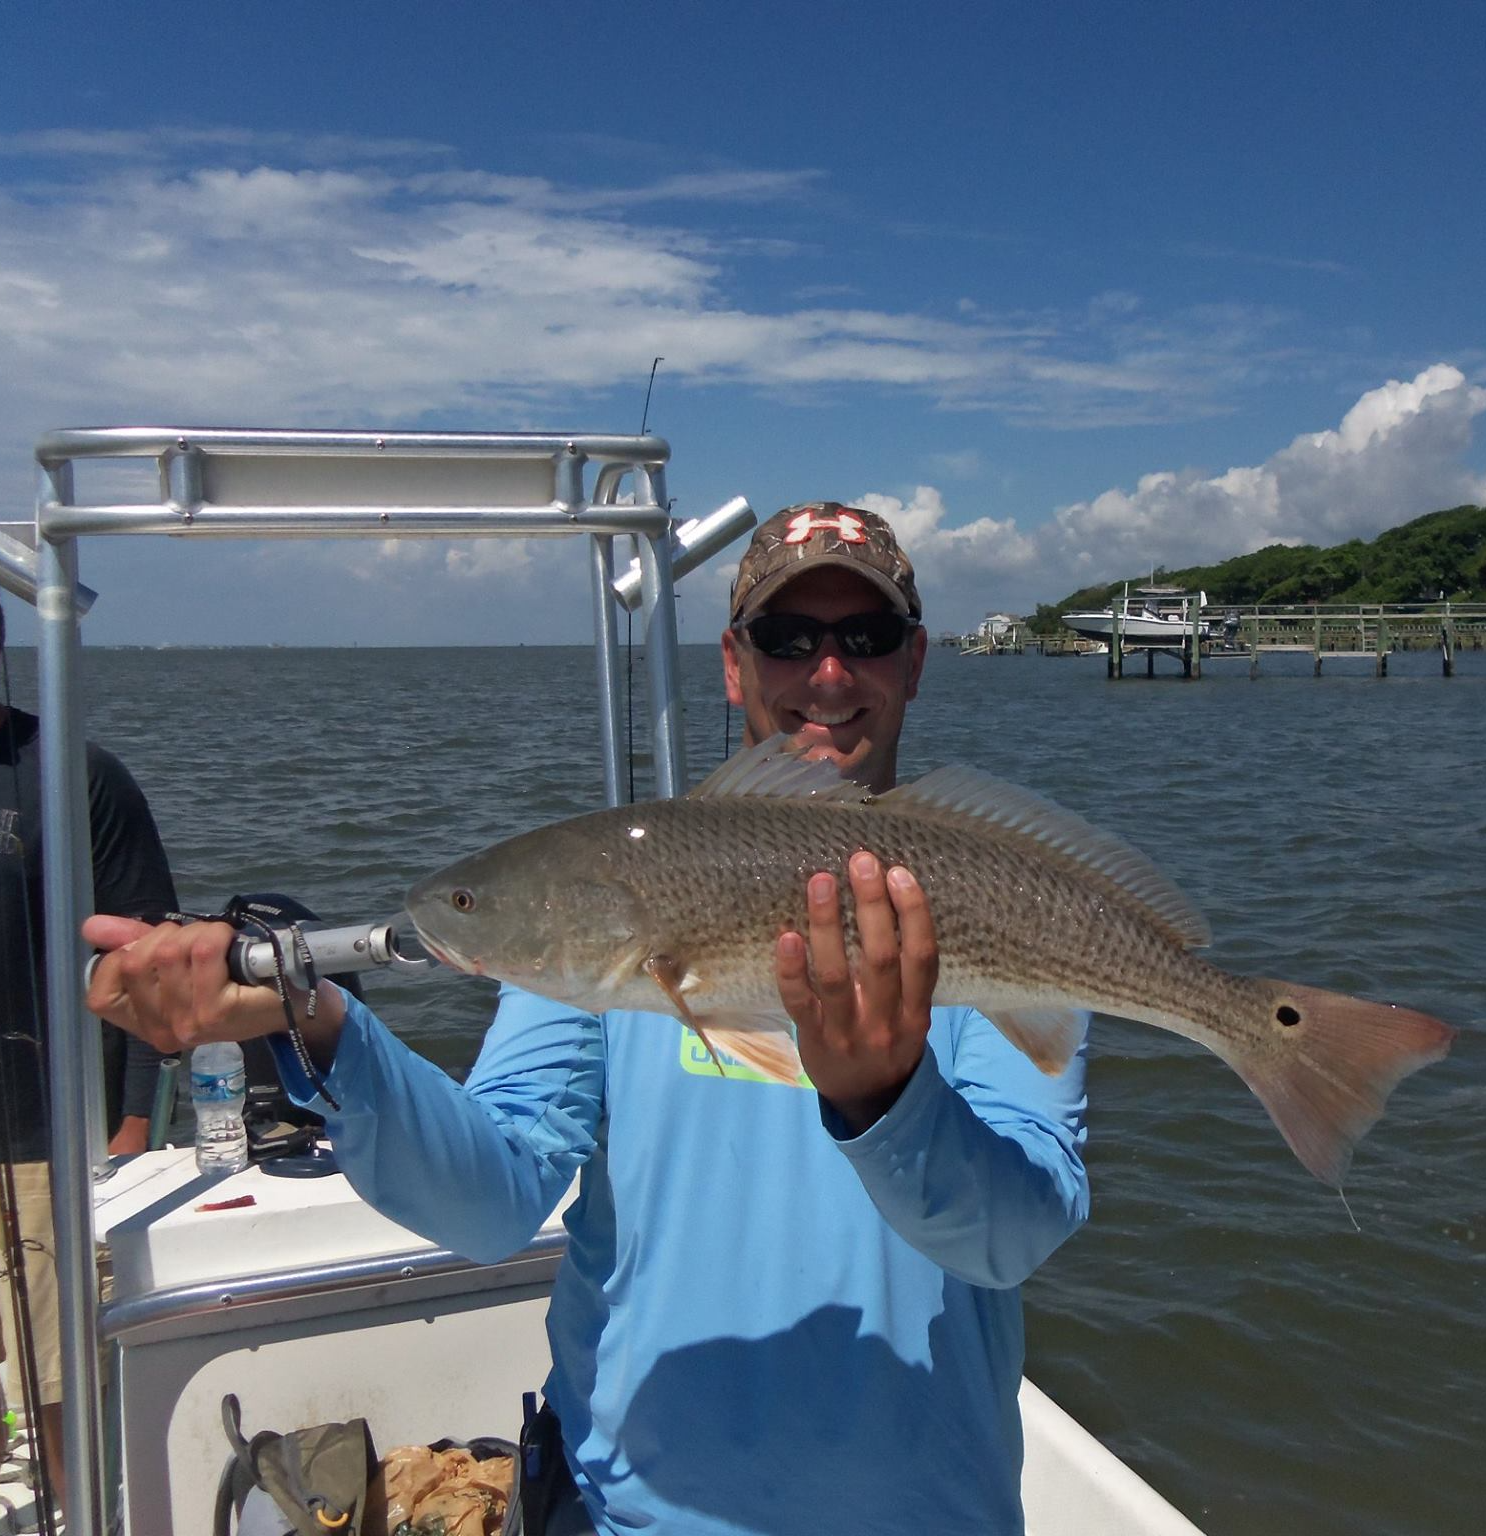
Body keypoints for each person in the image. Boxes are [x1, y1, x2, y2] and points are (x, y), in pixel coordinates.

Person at [84, 504, 1090, 1535]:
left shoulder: (983, 910)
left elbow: (1016, 1235)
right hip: (632, 1515)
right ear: (734, 664)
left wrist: (887, 1099)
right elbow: (493, 1197)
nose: (827, 675)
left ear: (915, 661)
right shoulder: (613, 920)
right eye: (789, 640)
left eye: (864, 638)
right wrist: (319, 1022)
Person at [0, 599, 180, 1517]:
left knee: (53, 1367)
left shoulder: (75, 775)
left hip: (44, 1135)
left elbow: (149, 951)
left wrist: (137, 1113)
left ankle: (82, 1514)